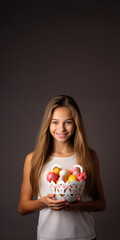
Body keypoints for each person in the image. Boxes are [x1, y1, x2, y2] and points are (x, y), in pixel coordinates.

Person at [18, 95, 106, 240]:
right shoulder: (33, 159)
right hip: (48, 237)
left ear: (76, 124)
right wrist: (43, 202)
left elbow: (101, 204)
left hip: (85, 236)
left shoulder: (89, 156)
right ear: (48, 124)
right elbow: (22, 207)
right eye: (55, 122)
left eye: (68, 122)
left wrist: (79, 205)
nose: (61, 128)